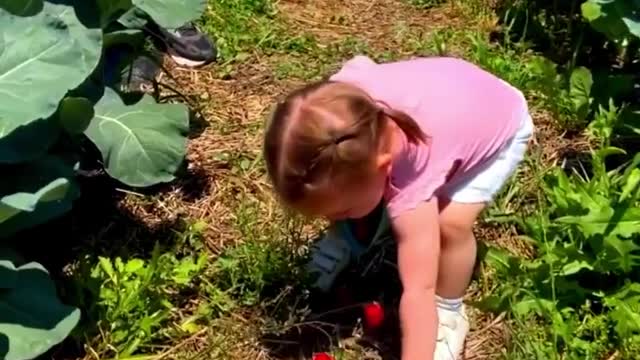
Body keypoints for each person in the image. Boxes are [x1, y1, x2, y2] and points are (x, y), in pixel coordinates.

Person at [262, 55, 534, 360]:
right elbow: (360, 61)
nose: (329, 218)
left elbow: (419, 290)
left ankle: (450, 312)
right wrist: (347, 205)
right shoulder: (339, 110)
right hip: (453, 91)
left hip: (499, 123)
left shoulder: (412, 181)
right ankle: (352, 228)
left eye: (339, 213)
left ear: (384, 166)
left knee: (450, 226)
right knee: (348, 189)